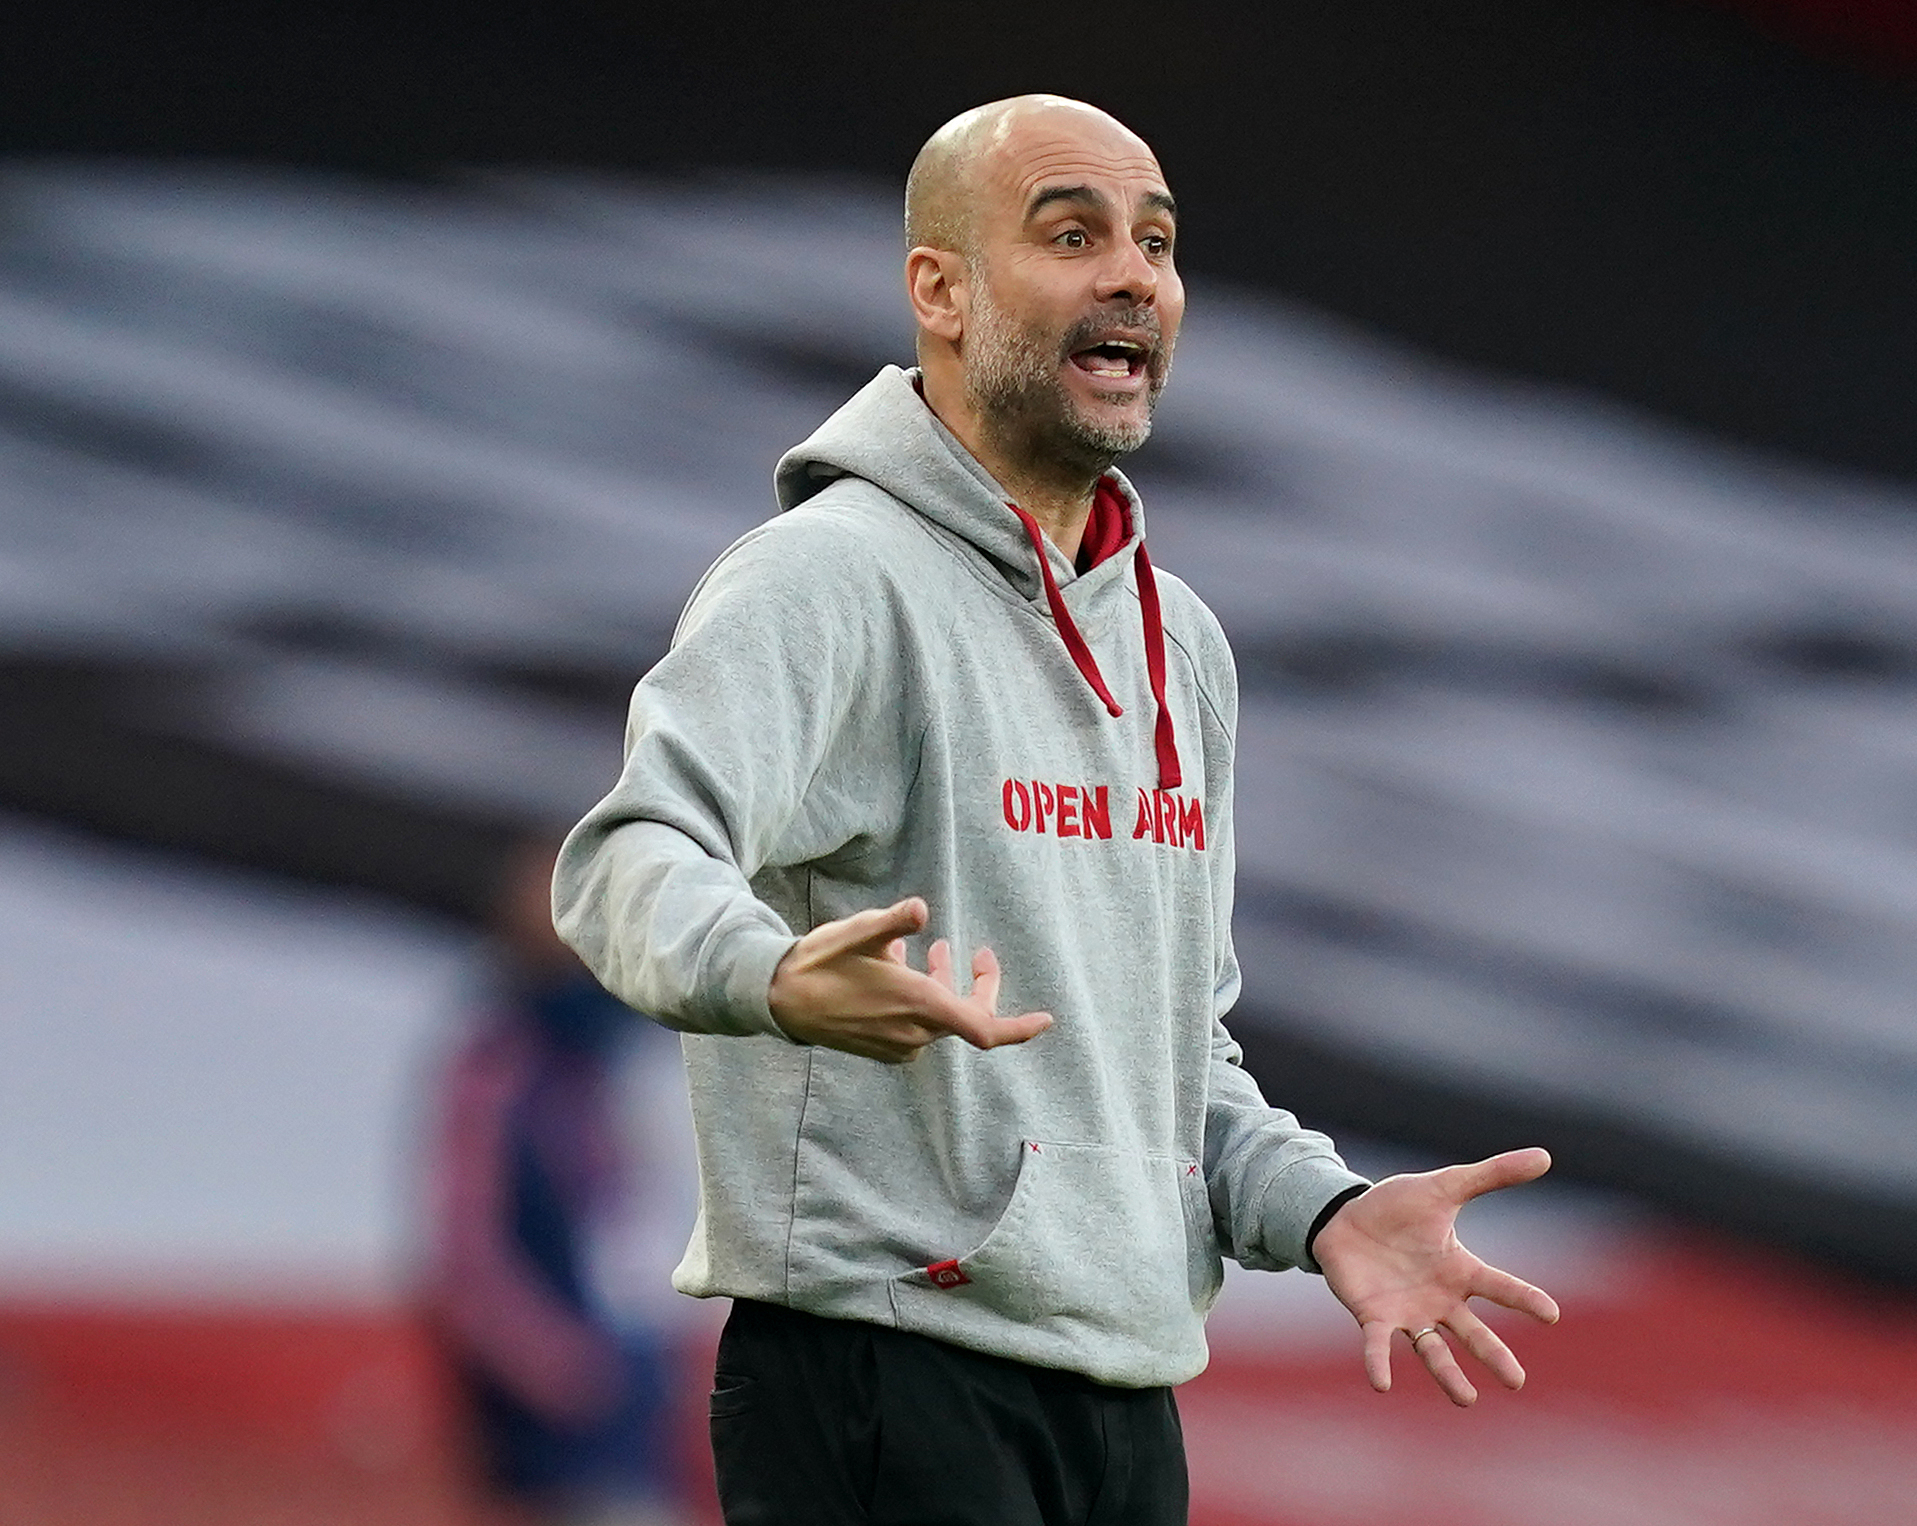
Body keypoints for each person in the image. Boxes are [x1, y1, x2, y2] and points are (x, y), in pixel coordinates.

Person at [551, 94, 1561, 1525]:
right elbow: (628, 857)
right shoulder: (826, 577)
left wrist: (1321, 1207)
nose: (1133, 276)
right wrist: (770, 972)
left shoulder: (1182, 644)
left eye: (1157, 242)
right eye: (1072, 235)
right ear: (940, 289)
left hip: (1126, 1401)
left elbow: (1171, 1055)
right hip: (888, 1362)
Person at [426, 840, 691, 1526]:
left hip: (642, 1395)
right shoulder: (499, 1071)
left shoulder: (624, 1055)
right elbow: (466, 1253)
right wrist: (550, 1362)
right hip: (559, 1414)